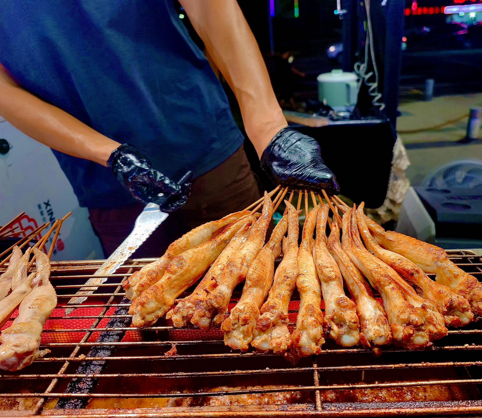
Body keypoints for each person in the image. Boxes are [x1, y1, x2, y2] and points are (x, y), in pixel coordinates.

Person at [0, 1, 338, 257]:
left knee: (258, 282)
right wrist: (111, 156)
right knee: (143, 312)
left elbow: (209, 7)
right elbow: (5, 91)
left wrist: (269, 129)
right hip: (108, 187)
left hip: (206, 150)